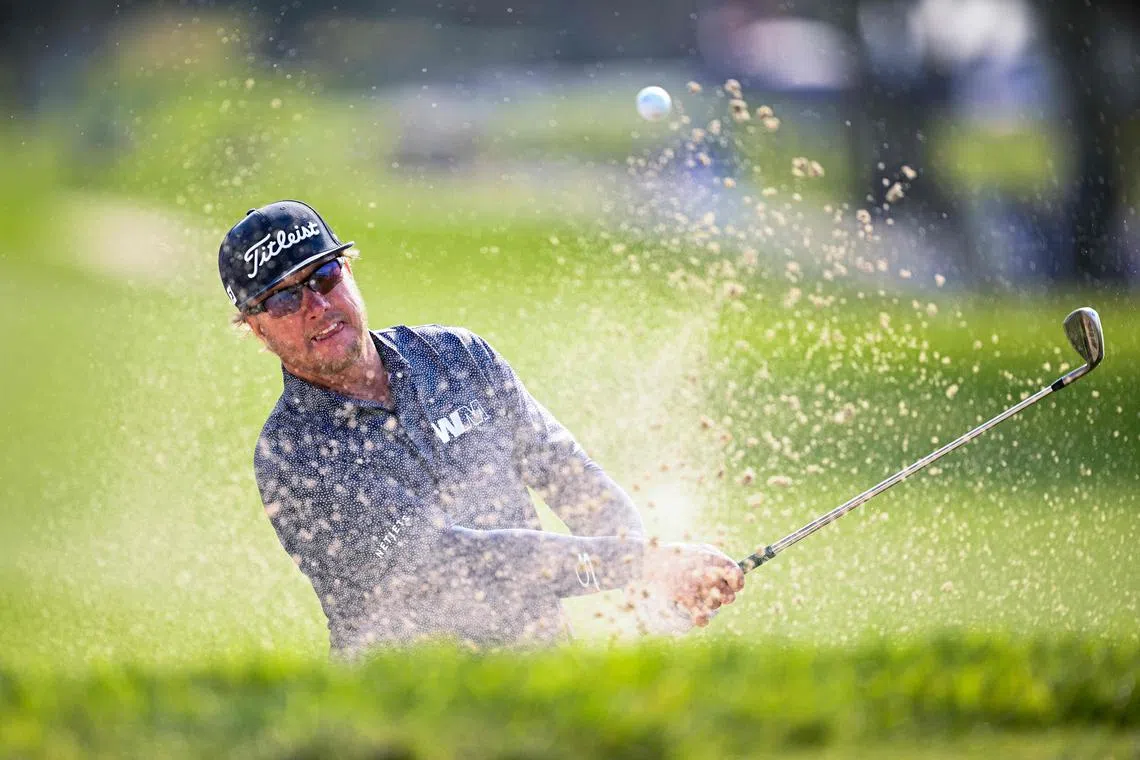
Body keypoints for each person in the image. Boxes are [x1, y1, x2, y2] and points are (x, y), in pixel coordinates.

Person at [218, 200, 745, 656]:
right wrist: (635, 565)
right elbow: (451, 562)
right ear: (254, 327)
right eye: (285, 299)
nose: (317, 306)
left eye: (324, 278)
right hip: (414, 714)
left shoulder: (458, 356)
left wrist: (649, 578)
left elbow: (566, 472)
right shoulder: (294, 454)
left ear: (349, 272)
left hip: (545, 678)